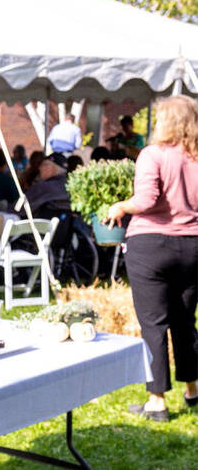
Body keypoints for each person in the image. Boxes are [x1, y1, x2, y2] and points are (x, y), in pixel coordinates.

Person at [105, 95, 198, 421]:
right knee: (186, 321)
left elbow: (146, 199)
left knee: (154, 324)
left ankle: (157, 401)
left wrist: (120, 206)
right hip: (193, 246)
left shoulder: (153, 154)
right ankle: (192, 388)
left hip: (152, 245)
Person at [24, 152, 70, 218]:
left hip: (36, 226)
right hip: (63, 225)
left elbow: (20, 209)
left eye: (43, 164)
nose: (39, 168)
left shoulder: (43, 187)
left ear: (51, 168)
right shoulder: (71, 187)